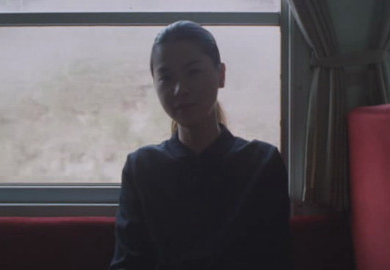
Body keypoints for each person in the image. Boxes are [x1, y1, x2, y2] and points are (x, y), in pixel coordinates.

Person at [110, 20, 291, 270]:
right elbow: (128, 263)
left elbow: (274, 259)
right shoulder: (141, 168)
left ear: (221, 75)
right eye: (166, 77)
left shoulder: (262, 163)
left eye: (193, 72)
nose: (179, 89)